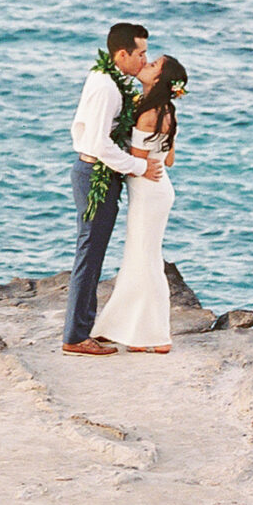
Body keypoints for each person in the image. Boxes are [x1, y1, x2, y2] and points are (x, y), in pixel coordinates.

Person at [63, 21, 156, 355]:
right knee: (90, 254)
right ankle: (75, 336)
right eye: (141, 53)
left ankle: (82, 328)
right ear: (122, 54)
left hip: (98, 171)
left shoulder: (109, 79)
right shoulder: (106, 87)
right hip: (94, 173)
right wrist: (140, 166)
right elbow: (99, 143)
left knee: (93, 253)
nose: (145, 60)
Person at [91, 53, 188, 353]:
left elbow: (138, 161)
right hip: (157, 189)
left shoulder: (148, 115)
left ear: (159, 79)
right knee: (138, 258)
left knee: (145, 260)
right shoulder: (164, 111)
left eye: (154, 64)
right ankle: (123, 327)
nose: (147, 64)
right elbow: (168, 160)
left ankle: (158, 335)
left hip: (148, 192)